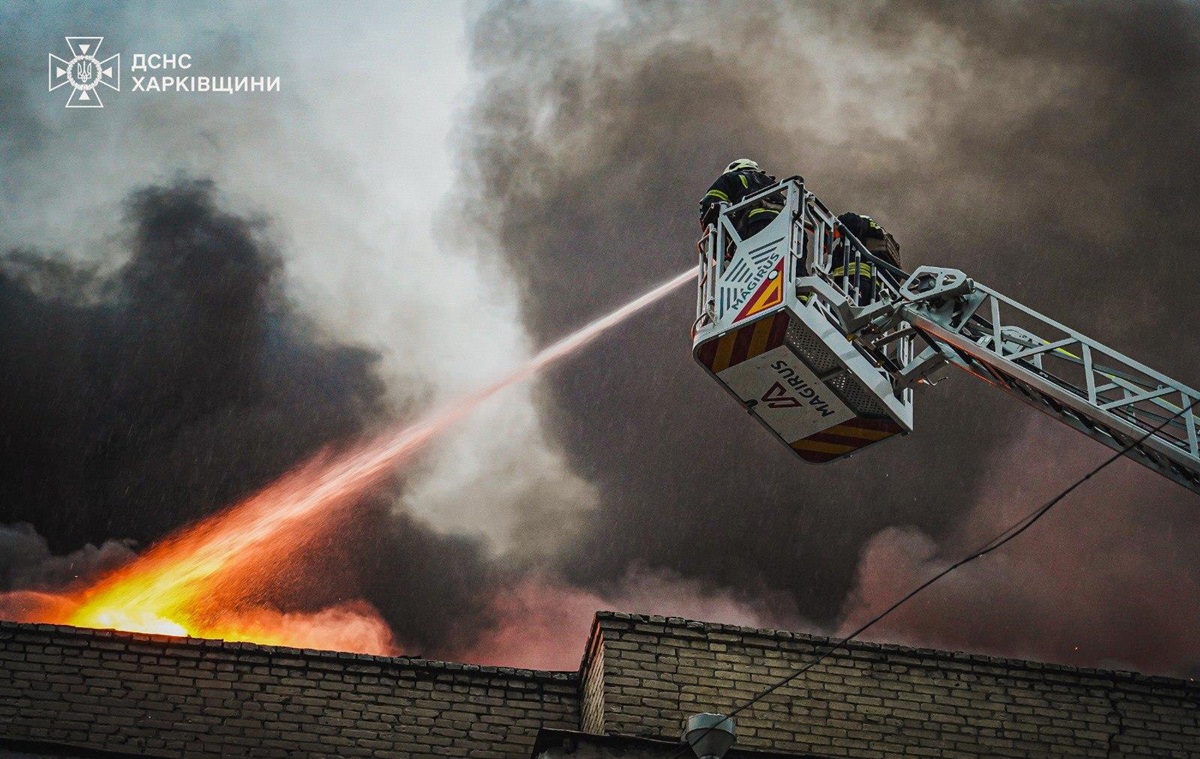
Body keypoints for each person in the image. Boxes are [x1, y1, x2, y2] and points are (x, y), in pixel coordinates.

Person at [698, 159, 783, 239]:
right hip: (779, 223)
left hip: (751, 224)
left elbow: (711, 201)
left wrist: (708, 223)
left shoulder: (729, 177)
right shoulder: (771, 183)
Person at [834, 211, 902, 304]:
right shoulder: (889, 246)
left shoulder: (861, 222)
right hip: (878, 293)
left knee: (840, 313)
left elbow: (848, 221)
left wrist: (828, 234)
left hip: (853, 279)